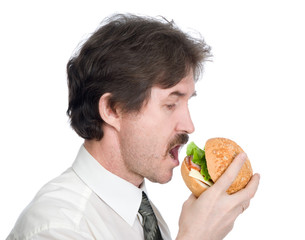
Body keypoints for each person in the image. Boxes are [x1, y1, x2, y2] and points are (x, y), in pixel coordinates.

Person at [7, 14, 260, 240]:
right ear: (112, 109)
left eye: (187, 102)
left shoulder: (144, 214)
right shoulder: (59, 228)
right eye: (171, 105)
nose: (189, 126)